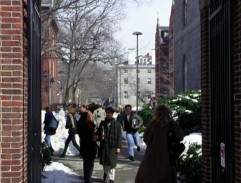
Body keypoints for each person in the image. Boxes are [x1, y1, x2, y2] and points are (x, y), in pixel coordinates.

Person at [135, 105, 184, 183]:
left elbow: (146, 139)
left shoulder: (153, 124)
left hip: (152, 158)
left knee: (148, 177)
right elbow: (180, 137)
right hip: (167, 159)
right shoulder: (172, 124)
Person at [93, 107, 122, 183]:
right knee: (105, 163)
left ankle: (111, 179)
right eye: (107, 113)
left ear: (112, 114)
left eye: (109, 113)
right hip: (104, 146)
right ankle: (106, 173)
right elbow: (98, 133)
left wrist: (118, 147)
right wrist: (97, 136)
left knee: (112, 163)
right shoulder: (103, 123)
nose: (108, 114)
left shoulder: (117, 124)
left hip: (112, 147)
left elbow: (119, 136)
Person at [78, 110, 97, 183]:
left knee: (87, 164)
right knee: (89, 164)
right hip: (89, 146)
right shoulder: (88, 125)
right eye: (89, 116)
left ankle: (88, 178)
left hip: (86, 146)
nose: (90, 117)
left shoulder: (82, 125)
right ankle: (88, 179)